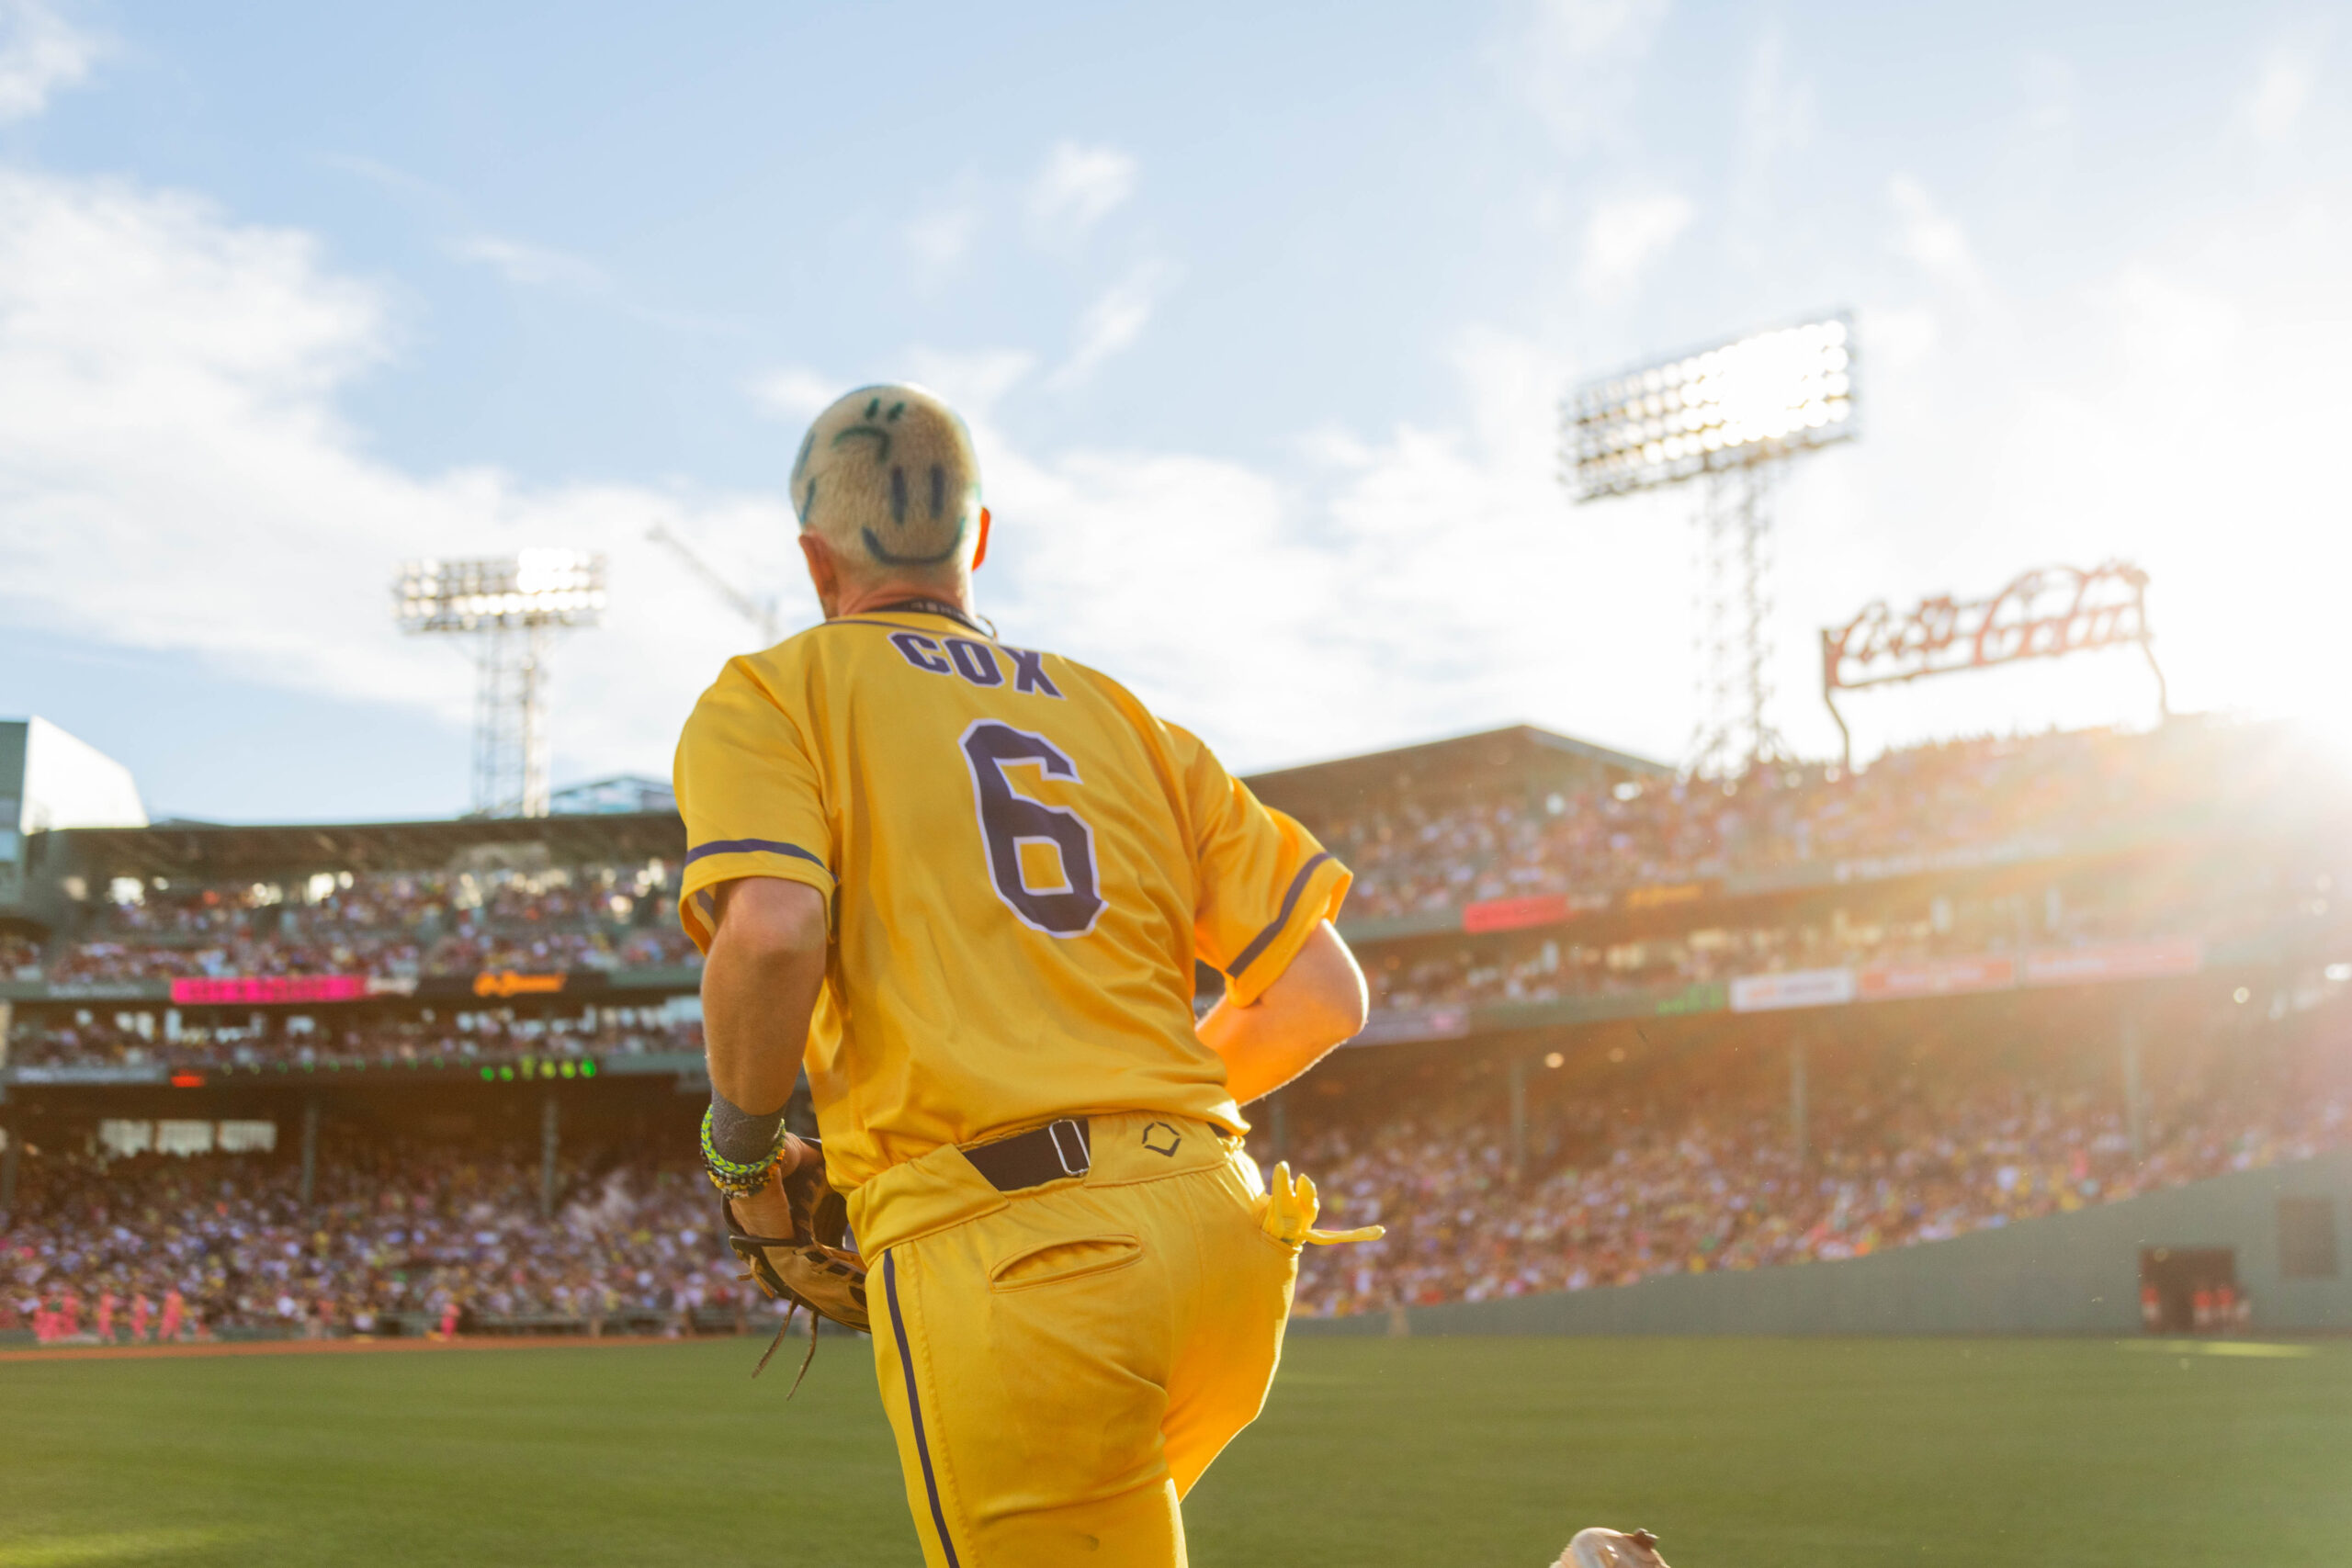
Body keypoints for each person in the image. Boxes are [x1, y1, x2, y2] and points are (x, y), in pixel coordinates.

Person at [674, 384, 1378, 1567]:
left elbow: (777, 931)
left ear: (812, 558)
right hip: (1226, 1233)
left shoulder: (774, 691)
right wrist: (1130, 1121)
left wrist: (737, 1155)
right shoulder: (1128, 718)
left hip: (1018, 1258)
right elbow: (1324, 994)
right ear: (979, 539)